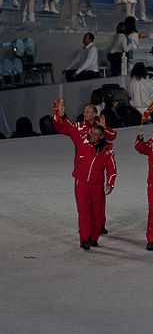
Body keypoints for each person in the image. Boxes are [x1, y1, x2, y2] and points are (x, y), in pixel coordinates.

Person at [54, 100, 117, 250]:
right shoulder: (80, 131)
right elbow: (65, 128)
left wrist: (110, 182)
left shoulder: (106, 143)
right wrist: (59, 115)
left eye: (88, 112)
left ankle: (96, 231)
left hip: (97, 176)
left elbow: (112, 135)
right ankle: (84, 237)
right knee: (83, 212)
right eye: (84, 112)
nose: (85, 114)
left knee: (96, 211)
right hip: (81, 174)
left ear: (95, 114)